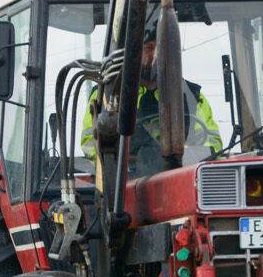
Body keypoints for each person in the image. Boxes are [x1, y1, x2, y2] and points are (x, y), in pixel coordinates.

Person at [81, 35, 223, 176]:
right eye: (149, 48)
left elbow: (211, 144)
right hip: (123, 180)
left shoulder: (191, 96)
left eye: (161, 48)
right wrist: (119, 162)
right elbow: (90, 142)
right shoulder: (107, 94)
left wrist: (180, 161)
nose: (156, 55)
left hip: (178, 178)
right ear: (132, 52)